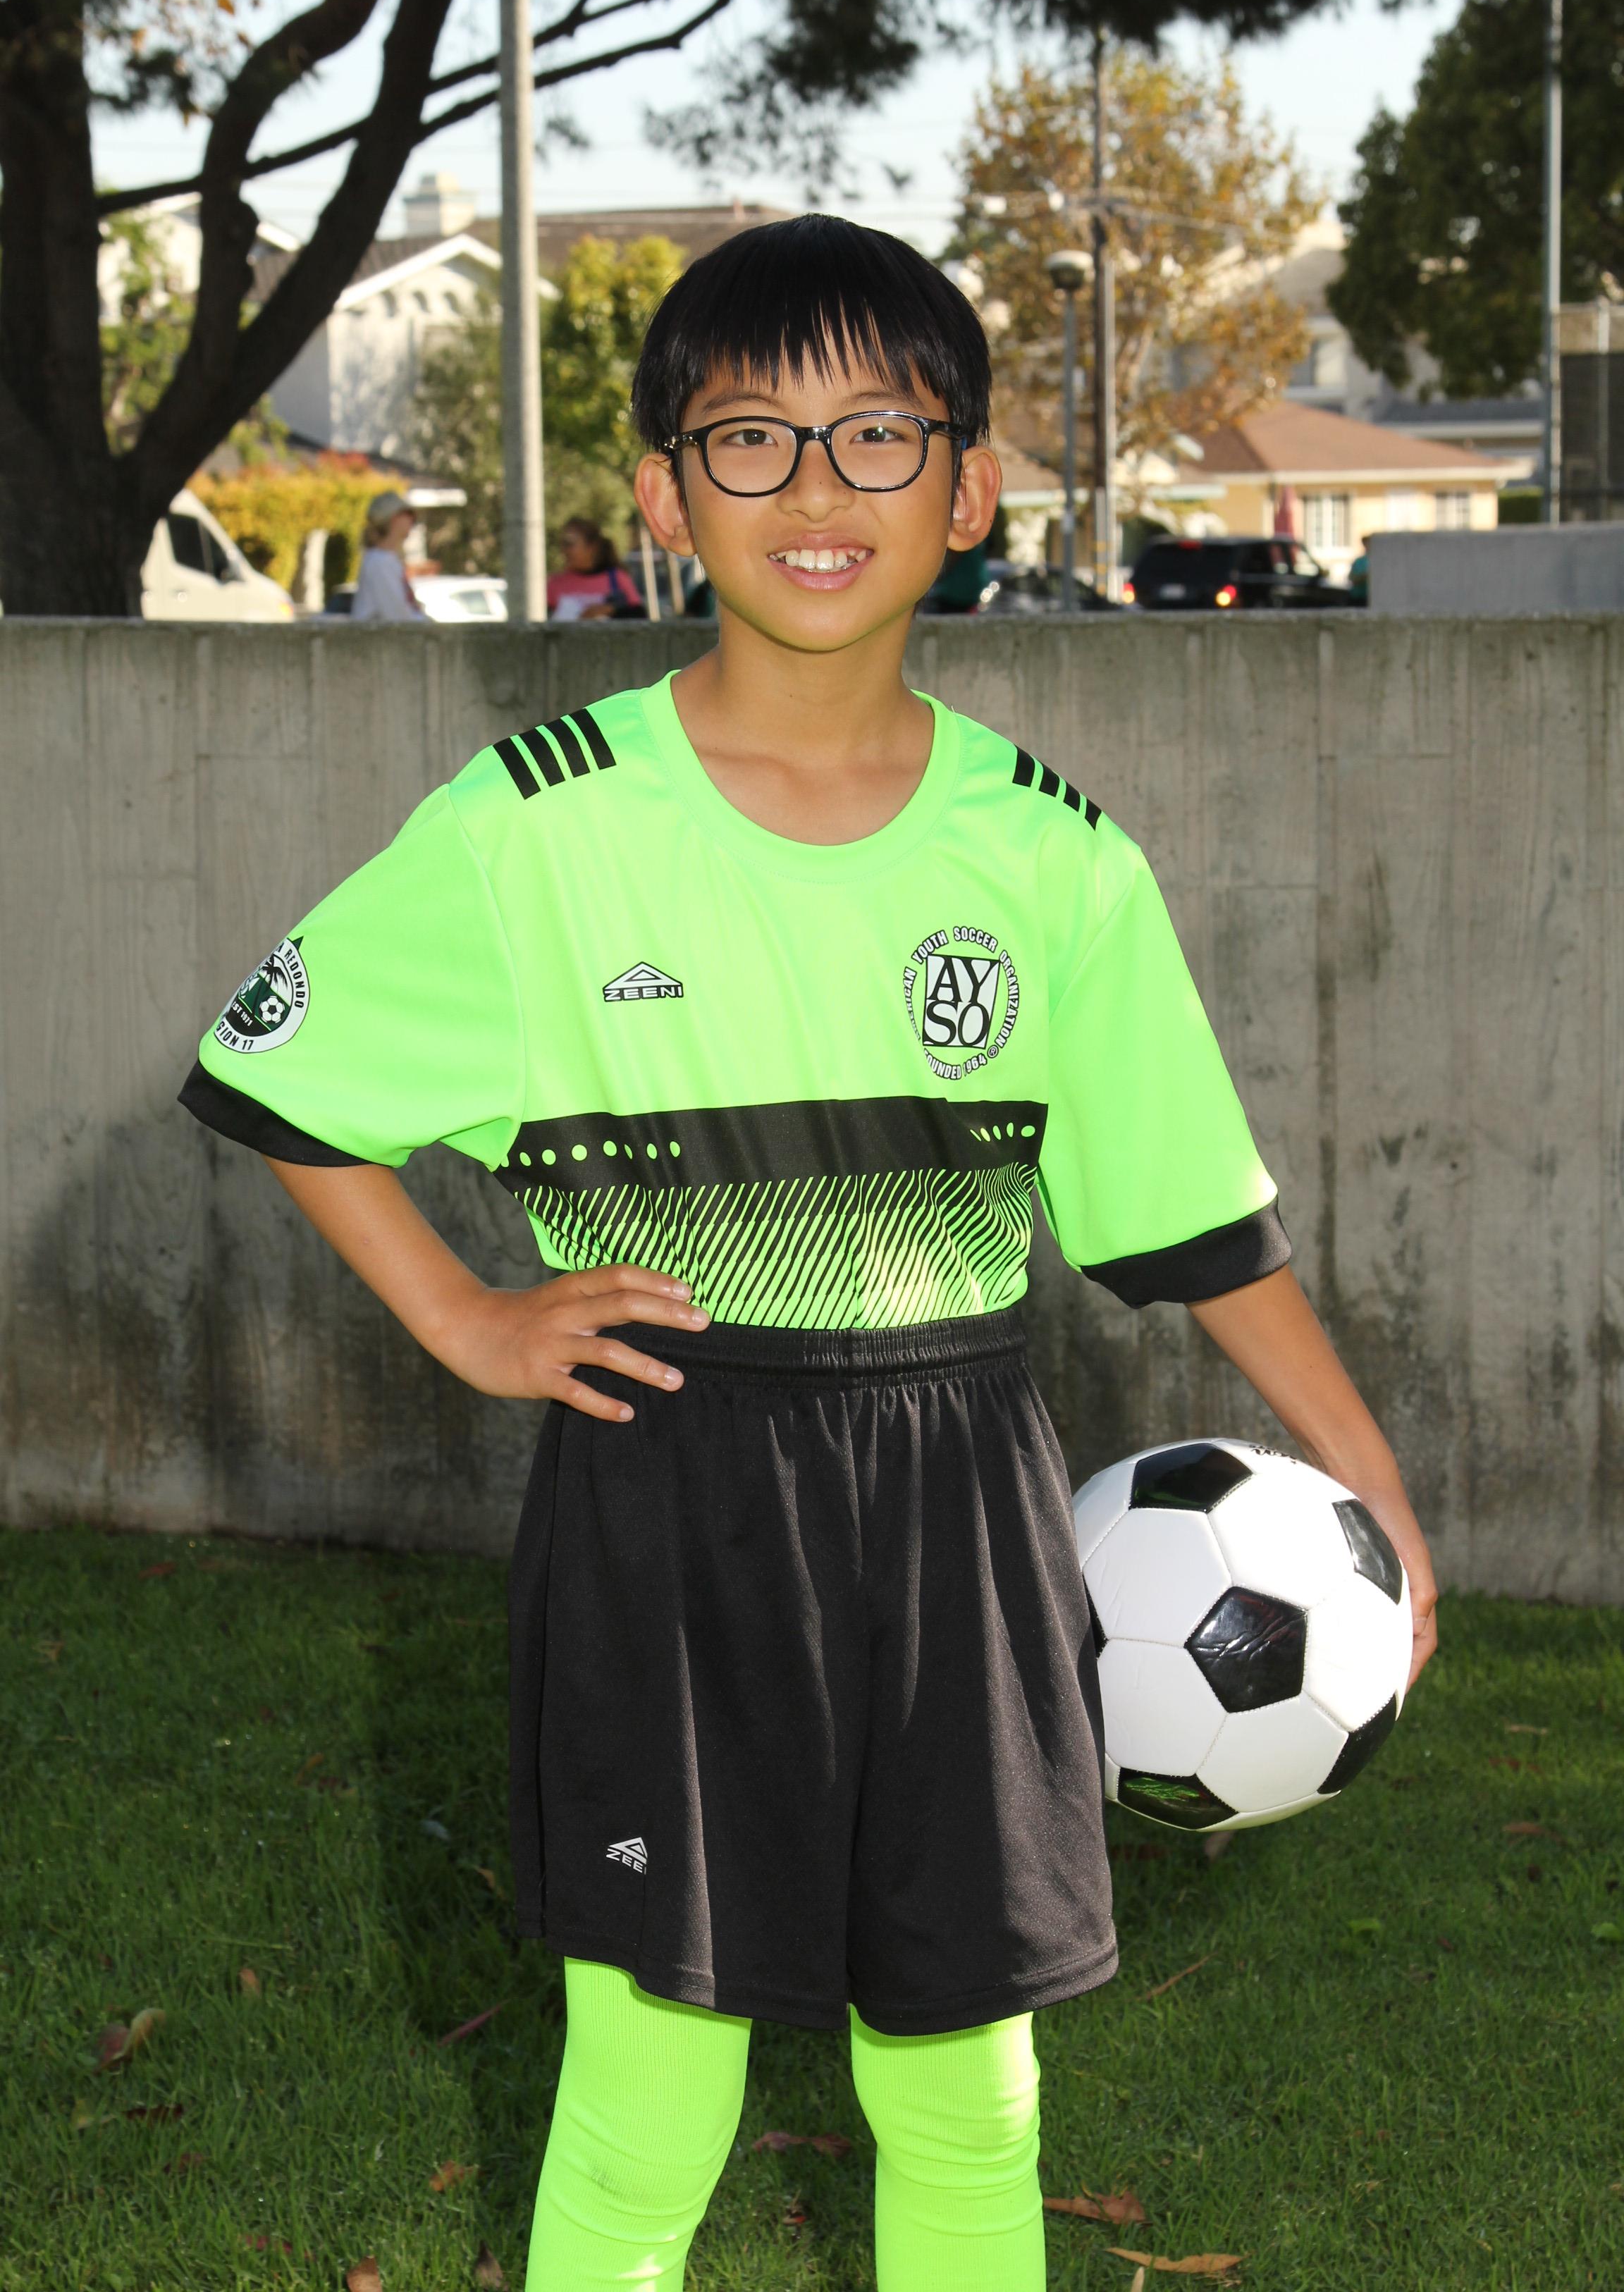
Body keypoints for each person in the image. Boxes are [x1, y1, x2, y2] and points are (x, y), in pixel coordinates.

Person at [180, 214, 1437, 2291]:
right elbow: (279, 1077)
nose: (817, 487)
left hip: (962, 1502)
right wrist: (469, 1316)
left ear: (973, 487)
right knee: (648, 2093)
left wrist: (1365, 1469)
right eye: (751, 439)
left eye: (878, 435)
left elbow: (1193, 1221)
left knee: (968, 2095)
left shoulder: (1052, 858)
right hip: (673, 1498)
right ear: (666, 498)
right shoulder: (537, 825)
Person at [546, 517, 644, 620]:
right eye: (562, 544)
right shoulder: (555, 583)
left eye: (569, 544)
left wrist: (610, 610)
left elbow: (640, 616)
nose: (563, 550)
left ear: (591, 547)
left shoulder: (617, 578)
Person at [350, 491, 426, 622]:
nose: (412, 520)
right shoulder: (379, 562)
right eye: (408, 514)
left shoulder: (385, 559)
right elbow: (399, 617)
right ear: (395, 518)